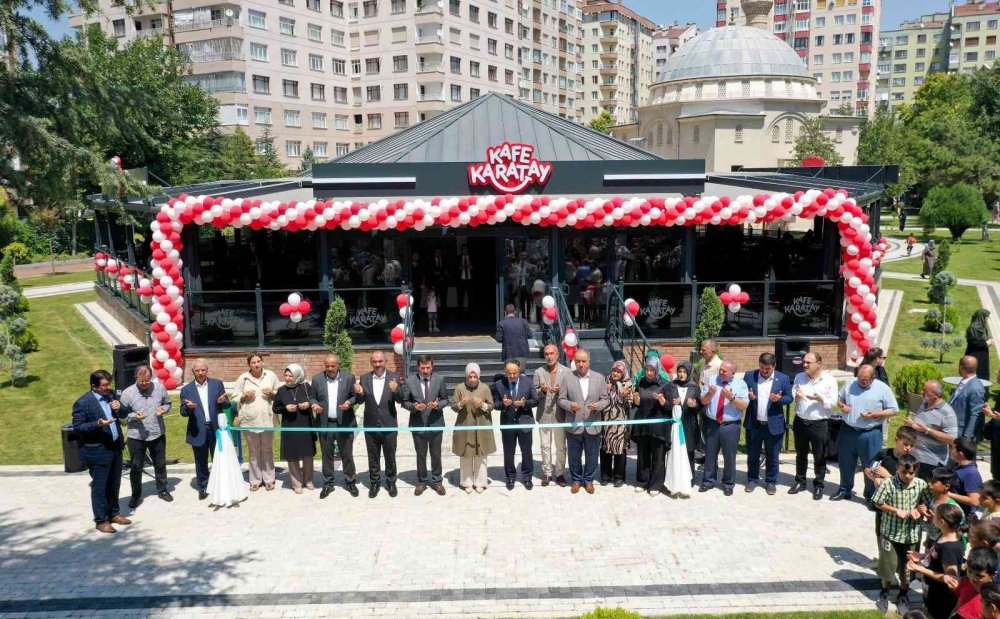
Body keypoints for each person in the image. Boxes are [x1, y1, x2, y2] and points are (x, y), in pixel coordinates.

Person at [72, 370, 131, 534]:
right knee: (99, 487)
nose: (108, 388)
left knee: (114, 484)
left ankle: (114, 513)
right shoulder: (83, 403)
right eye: (104, 385)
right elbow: (78, 427)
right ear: (94, 386)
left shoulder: (111, 395)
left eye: (109, 384)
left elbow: (125, 414)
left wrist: (121, 407)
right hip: (97, 452)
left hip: (115, 448)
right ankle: (101, 520)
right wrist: (97, 424)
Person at [832, 365, 899, 503]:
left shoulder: (882, 388)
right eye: (860, 379)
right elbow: (839, 398)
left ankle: (870, 495)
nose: (861, 382)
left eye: (865, 380)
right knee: (845, 462)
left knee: (871, 465)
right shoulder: (851, 383)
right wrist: (842, 406)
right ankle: (845, 489)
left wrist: (875, 414)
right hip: (848, 430)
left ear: (873, 378)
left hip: (870, 432)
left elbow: (894, 410)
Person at [871, 453, 927, 615]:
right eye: (904, 473)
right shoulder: (889, 483)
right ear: (898, 469)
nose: (908, 476)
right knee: (887, 564)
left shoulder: (921, 485)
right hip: (890, 532)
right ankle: (885, 592)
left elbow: (927, 503)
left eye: (911, 473)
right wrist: (896, 511)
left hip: (911, 535)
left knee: (907, 568)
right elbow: (877, 502)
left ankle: (903, 594)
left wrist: (920, 510)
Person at [119, 365, 172, 508]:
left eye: (147, 380)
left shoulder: (160, 388)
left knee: (160, 464)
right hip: (136, 436)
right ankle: (136, 495)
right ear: (135, 378)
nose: (144, 384)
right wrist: (134, 416)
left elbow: (168, 403)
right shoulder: (127, 393)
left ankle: (162, 490)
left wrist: (164, 409)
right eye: (141, 381)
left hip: (157, 433)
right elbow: (121, 418)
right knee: (136, 466)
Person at [558, 348, 609, 494]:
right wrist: (570, 406)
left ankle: (588, 481)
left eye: (583, 361)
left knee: (592, 454)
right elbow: (561, 399)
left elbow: (605, 399)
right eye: (578, 361)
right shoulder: (567, 378)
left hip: (592, 423)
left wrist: (598, 406)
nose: (580, 364)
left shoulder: (599, 378)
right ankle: (576, 480)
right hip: (574, 424)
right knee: (574, 454)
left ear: (589, 362)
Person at [790, 352, 839, 500]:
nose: (804, 365)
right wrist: (796, 397)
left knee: (819, 456)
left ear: (819, 364)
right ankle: (800, 481)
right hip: (800, 421)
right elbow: (794, 395)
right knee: (800, 454)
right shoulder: (800, 377)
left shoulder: (829, 380)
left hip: (819, 424)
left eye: (808, 363)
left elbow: (833, 404)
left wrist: (821, 399)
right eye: (804, 362)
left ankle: (818, 485)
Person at [309, 354, 359, 498]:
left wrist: (349, 403)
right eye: (327, 366)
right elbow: (312, 397)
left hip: (344, 422)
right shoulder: (317, 379)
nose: (330, 369)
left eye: (333, 366)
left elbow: (354, 396)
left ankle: (350, 482)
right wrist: (314, 405)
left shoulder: (349, 377)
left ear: (338, 365)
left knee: (347, 454)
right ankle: (328, 484)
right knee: (327, 454)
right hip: (325, 423)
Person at [354, 350, 403, 498]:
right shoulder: (364, 378)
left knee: (390, 455)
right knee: (373, 456)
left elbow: (401, 399)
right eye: (374, 362)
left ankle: (391, 482)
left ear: (385, 362)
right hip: (370, 425)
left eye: (380, 361)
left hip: (389, 424)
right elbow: (360, 401)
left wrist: (396, 390)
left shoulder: (394, 377)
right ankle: (374, 483)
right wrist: (360, 393)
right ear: (371, 362)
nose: (377, 364)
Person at [742, 353, 792, 495]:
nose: (764, 371)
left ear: (774, 366)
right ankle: (752, 480)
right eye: (762, 368)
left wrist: (779, 399)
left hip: (774, 425)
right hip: (754, 423)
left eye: (768, 369)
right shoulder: (749, 375)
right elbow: (742, 392)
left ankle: (771, 481)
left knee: (772, 455)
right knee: (752, 454)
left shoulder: (783, 378)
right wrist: (749, 396)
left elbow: (790, 397)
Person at [180, 359, 229, 500]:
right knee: (200, 461)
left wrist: (223, 402)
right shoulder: (186, 390)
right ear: (193, 371)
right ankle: (203, 486)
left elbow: (226, 404)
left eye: (203, 370)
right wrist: (188, 408)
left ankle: (220, 484)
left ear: (207, 370)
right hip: (198, 430)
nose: (200, 373)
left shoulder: (217, 384)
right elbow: (182, 412)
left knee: (219, 459)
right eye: (197, 370)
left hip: (216, 429)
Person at [906, 503, 965, 619]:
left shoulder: (949, 548)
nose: (932, 516)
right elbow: (939, 557)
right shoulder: (944, 536)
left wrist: (920, 569)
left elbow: (951, 579)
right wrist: (923, 556)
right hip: (931, 592)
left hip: (940, 598)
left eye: (935, 515)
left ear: (942, 522)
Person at [699, 360, 749, 496]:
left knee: (729, 455)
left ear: (732, 373)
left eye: (724, 371)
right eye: (720, 369)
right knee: (710, 454)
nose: (720, 372)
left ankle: (728, 483)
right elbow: (703, 401)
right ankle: (708, 481)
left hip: (730, 425)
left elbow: (744, 405)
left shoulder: (740, 384)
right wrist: (710, 393)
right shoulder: (711, 380)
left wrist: (731, 397)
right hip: (712, 423)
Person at [402, 354, 450, 496]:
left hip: (435, 422)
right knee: (421, 454)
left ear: (432, 366)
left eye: (428, 367)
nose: (425, 370)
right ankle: (422, 481)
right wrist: (414, 407)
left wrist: (437, 405)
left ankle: (437, 481)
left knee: (436, 454)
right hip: (418, 423)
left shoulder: (439, 380)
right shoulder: (410, 381)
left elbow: (445, 399)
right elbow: (404, 402)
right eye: (422, 368)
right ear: (418, 367)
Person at [233, 353, 280, 492]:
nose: (257, 364)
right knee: (253, 451)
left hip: (267, 418)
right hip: (249, 420)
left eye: (259, 361)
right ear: (249, 364)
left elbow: (279, 393)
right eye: (253, 362)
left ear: (262, 362)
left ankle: (269, 479)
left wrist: (272, 393)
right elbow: (235, 397)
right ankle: (255, 480)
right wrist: (244, 397)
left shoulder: (270, 375)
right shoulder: (243, 378)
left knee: (267, 449)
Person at [493, 359, 538, 490]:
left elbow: (535, 401)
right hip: (508, 423)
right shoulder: (498, 385)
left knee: (527, 451)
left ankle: (527, 477)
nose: (512, 376)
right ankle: (510, 476)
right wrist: (503, 404)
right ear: (505, 372)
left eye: (515, 373)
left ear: (519, 371)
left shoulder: (528, 382)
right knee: (508, 452)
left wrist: (524, 404)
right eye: (509, 373)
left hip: (524, 422)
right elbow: (495, 404)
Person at [631, 356, 674, 495]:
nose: (649, 373)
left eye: (652, 370)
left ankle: (656, 484)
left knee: (658, 456)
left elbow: (671, 407)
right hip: (643, 424)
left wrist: (662, 401)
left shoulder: (666, 384)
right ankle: (642, 481)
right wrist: (636, 401)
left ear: (657, 370)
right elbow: (637, 403)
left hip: (659, 426)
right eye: (647, 370)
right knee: (643, 454)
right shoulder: (641, 382)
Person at [272, 364, 317, 494]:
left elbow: (314, 400)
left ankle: (308, 481)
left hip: (305, 425)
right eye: (285, 375)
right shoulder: (281, 390)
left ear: (297, 375)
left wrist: (308, 404)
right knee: (292, 456)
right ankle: (296, 483)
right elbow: (275, 408)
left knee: (307, 454)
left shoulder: (305, 387)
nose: (287, 378)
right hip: (289, 426)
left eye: (290, 376)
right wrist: (285, 408)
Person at [451, 363, 495, 493]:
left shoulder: (485, 388)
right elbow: (453, 406)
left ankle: (480, 482)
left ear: (478, 376)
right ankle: (466, 482)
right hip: (465, 425)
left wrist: (482, 405)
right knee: (466, 453)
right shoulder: (460, 388)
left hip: (481, 425)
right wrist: (461, 403)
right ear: (466, 376)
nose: (472, 379)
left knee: (481, 455)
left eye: (475, 376)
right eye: (470, 376)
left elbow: (491, 406)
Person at [903, 380, 957, 481]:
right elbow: (919, 425)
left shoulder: (947, 412)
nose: (921, 393)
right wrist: (911, 424)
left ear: (936, 395)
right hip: (915, 458)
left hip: (931, 462)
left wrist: (928, 430)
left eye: (925, 391)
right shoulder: (924, 404)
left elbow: (952, 439)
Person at [533, 343, 571, 487]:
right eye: (546, 354)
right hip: (544, 414)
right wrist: (542, 391)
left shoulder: (567, 372)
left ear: (558, 355)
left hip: (560, 414)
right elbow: (533, 394)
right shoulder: (538, 372)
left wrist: (561, 390)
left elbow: (571, 392)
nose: (549, 357)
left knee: (561, 446)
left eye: (551, 353)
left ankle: (560, 473)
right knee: (545, 445)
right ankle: (547, 473)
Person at [205, 400, 248, 507]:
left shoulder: (230, 404)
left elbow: (235, 408)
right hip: (221, 435)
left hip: (229, 437)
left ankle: (234, 490)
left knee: (233, 460)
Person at [671, 361, 700, 486]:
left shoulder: (694, 387)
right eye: (680, 371)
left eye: (684, 372)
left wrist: (694, 406)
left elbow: (700, 407)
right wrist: (673, 403)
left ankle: (690, 479)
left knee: (689, 452)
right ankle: (676, 478)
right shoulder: (672, 385)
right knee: (676, 451)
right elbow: (666, 403)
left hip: (689, 424)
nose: (682, 374)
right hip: (676, 424)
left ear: (688, 373)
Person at [950, 546, 998, 619]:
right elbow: (959, 602)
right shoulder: (965, 582)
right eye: (970, 571)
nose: (972, 578)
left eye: (979, 576)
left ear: (992, 575)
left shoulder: (993, 595)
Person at [917, 468, 959, 550]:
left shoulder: (951, 507)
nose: (929, 484)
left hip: (944, 548)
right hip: (931, 544)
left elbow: (955, 532)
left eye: (934, 482)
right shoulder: (933, 500)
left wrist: (933, 519)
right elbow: (931, 526)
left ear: (946, 486)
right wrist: (925, 515)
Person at [951, 356, 987, 440]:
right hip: (954, 431)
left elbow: (976, 415)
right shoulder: (964, 382)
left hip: (962, 435)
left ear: (961, 368)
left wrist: (966, 438)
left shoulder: (976, 388)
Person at [949, 437, 983, 517]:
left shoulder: (970, 473)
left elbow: (975, 501)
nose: (951, 450)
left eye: (953, 448)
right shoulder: (959, 466)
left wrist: (949, 494)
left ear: (960, 454)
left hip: (963, 518)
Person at [965, 309, 993, 381]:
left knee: (982, 373)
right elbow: (974, 342)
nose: (987, 320)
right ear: (981, 317)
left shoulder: (982, 326)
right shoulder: (973, 328)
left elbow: (982, 339)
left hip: (982, 354)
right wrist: (986, 343)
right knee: (975, 372)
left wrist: (988, 342)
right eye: (986, 318)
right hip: (974, 355)